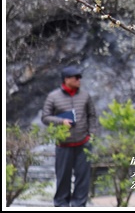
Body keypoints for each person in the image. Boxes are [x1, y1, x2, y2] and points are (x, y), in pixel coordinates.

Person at [41, 65, 98, 207]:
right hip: (63, 145)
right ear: (66, 79)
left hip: (83, 143)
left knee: (83, 179)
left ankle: (79, 205)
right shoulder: (53, 97)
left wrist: (92, 135)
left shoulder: (85, 96)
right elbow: (45, 117)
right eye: (76, 78)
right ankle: (61, 206)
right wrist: (61, 121)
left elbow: (92, 115)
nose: (79, 80)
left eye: (80, 77)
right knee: (63, 178)